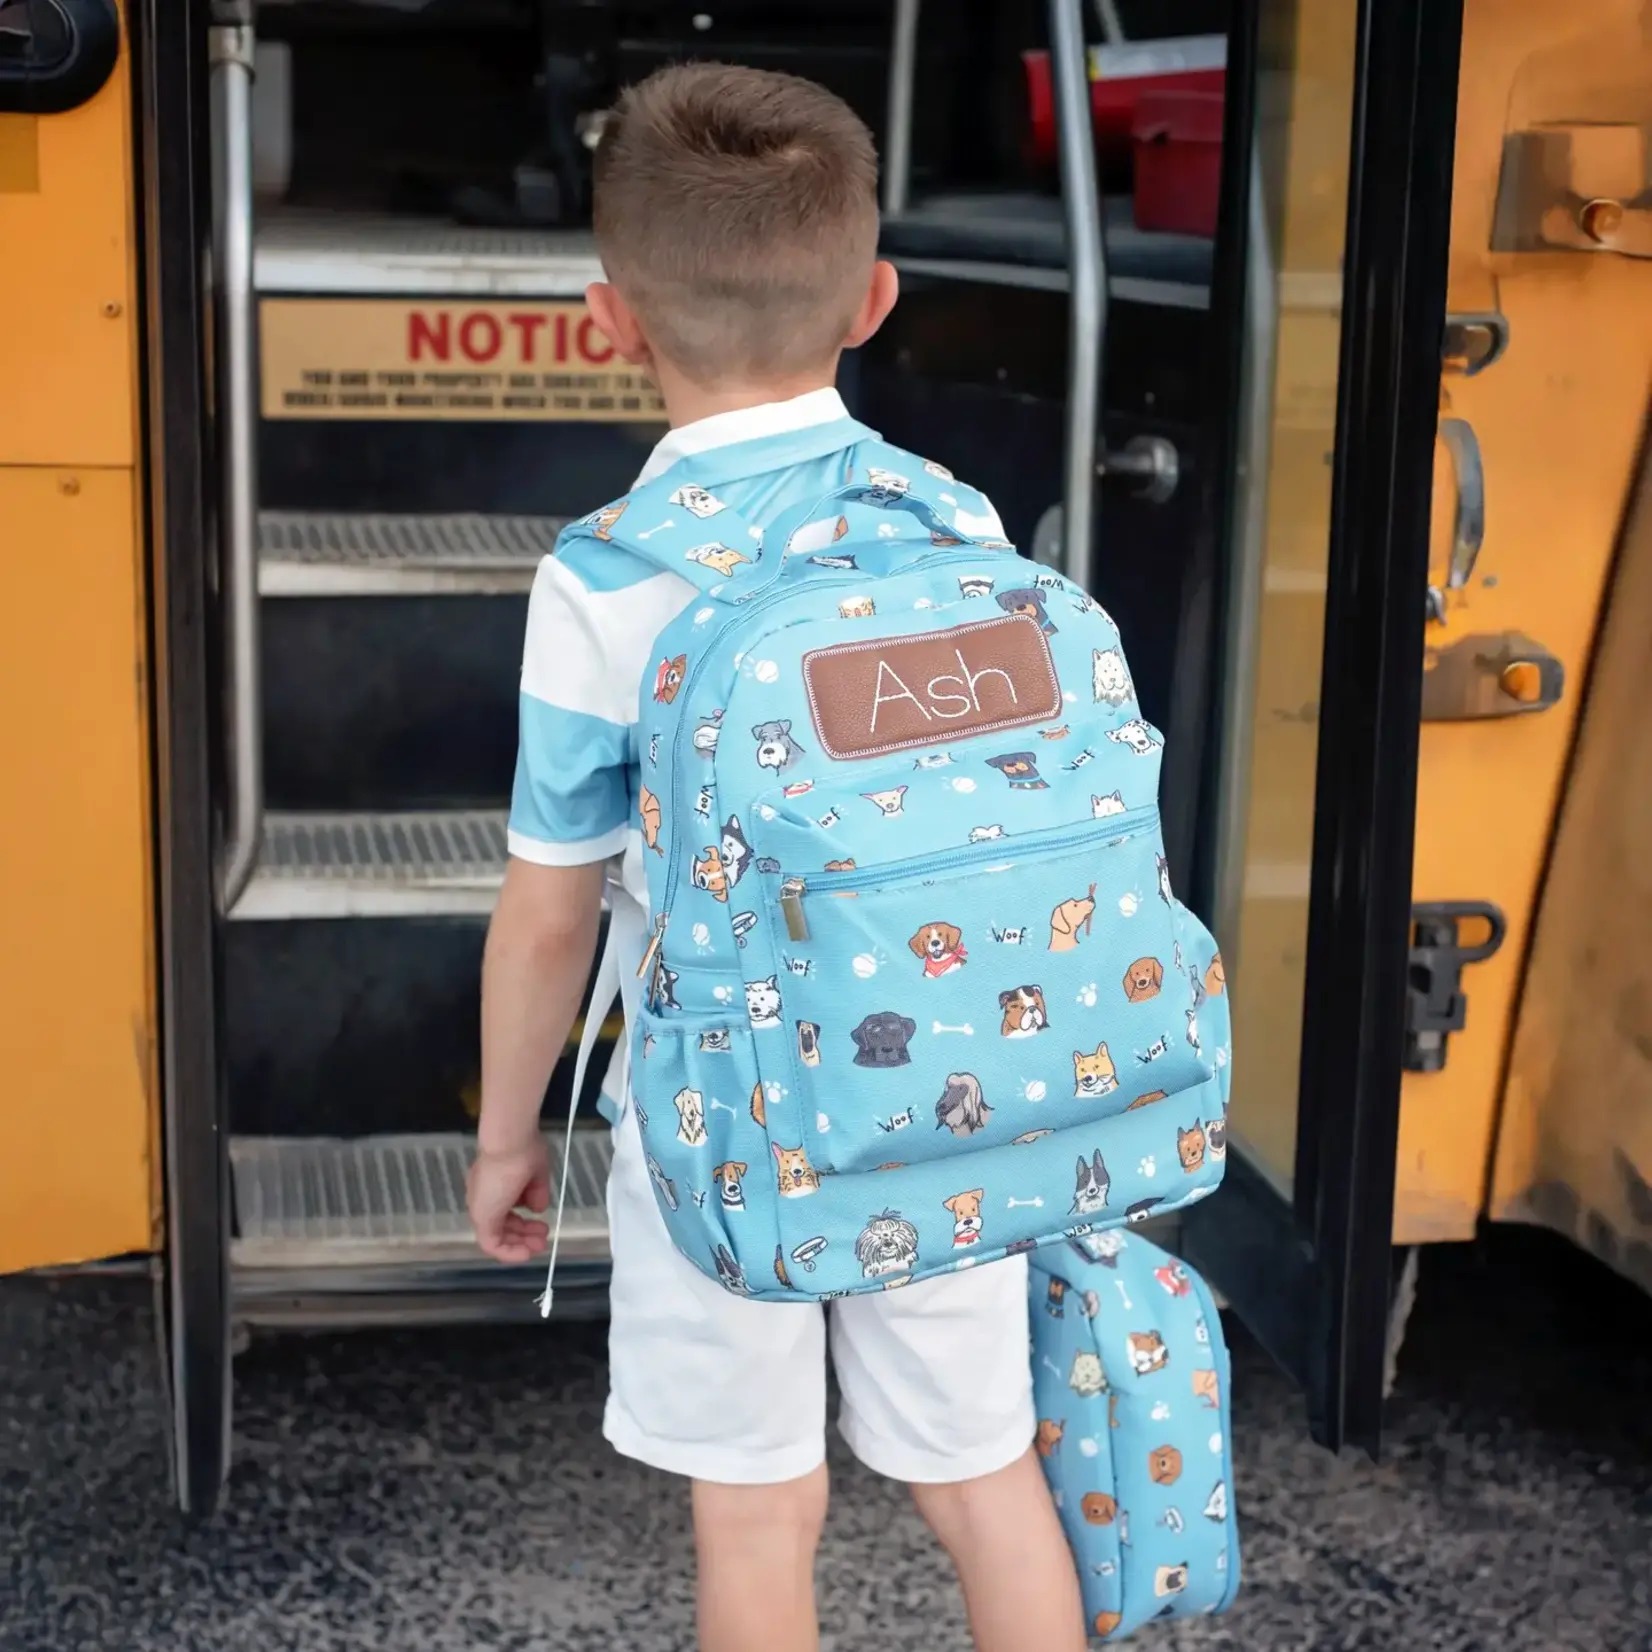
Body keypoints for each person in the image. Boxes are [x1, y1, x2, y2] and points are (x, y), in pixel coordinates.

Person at [467, 61, 1086, 1652]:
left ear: (608, 319)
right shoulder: (960, 523)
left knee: (757, 1510)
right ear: (873, 297)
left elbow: (549, 913)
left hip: (717, 1114)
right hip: (957, 1087)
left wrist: (503, 1133)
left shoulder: (603, 583)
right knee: (983, 1474)